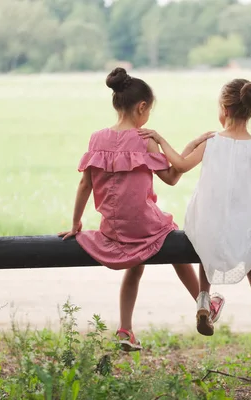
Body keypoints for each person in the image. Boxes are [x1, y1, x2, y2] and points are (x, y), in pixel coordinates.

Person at [59, 68, 225, 351]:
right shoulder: (145, 138)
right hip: (143, 226)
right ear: (142, 107)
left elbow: (84, 185)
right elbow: (172, 177)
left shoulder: (96, 138)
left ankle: (124, 330)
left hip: (113, 228)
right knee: (174, 241)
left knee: (135, 268)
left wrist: (76, 224)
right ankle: (204, 303)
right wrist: (192, 148)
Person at [139, 78, 251, 338]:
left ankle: (203, 300)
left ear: (224, 110)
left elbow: (180, 166)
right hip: (245, 221)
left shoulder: (211, 142)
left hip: (206, 219)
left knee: (205, 244)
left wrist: (160, 139)